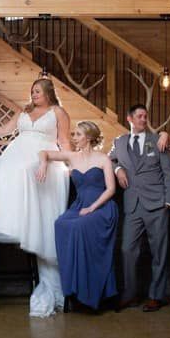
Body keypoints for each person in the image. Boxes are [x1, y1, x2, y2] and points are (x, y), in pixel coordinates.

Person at [0, 77, 71, 318]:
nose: (34, 95)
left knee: (32, 180)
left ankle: (51, 278)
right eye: (32, 91)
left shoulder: (58, 112)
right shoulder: (24, 110)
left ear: (48, 92)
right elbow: (5, 130)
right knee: (9, 171)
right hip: (15, 161)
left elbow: (63, 141)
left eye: (38, 91)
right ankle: (15, 222)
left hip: (43, 164)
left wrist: (73, 162)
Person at [38, 121, 117, 311]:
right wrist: (43, 164)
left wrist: (92, 208)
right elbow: (44, 153)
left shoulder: (103, 159)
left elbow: (111, 189)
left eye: (78, 135)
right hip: (80, 205)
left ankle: (89, 290)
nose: (74, 138)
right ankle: (73, 285)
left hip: (102, 208)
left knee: (79, 226)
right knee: (61, 224)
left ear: (88, 138)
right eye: (74, 134)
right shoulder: (72, 156)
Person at [109, 104, 170, 312]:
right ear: (129, 119)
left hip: (157, 204)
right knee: (127, 250)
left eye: (145, 116)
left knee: (159, 252)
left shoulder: (157, 141)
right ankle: (130, 294)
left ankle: (156, 296)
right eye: (139, 116)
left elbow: (169, 173)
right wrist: (118, 168)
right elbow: (110, 159)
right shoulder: (119, 142)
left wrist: (168, 201)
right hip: (132, 204)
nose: (143, 120)